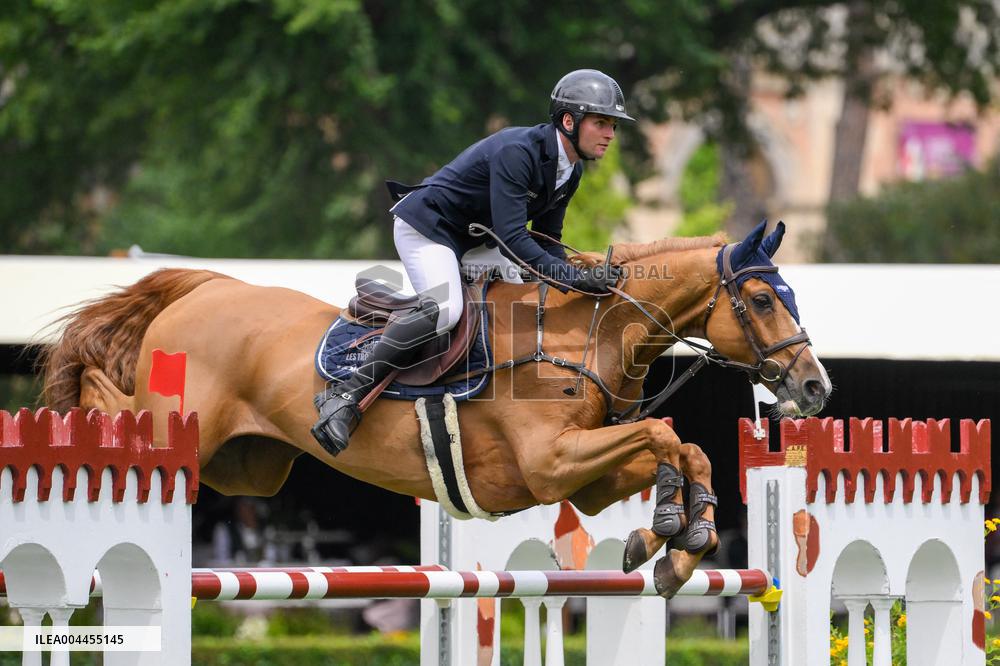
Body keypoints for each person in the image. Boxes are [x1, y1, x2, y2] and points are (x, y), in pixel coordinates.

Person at [312, 69, 635, 456]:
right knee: (446, 310)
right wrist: (576, 280)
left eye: (613, 125)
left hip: (478, 239)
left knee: (530, 294)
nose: (610, 134)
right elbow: (515, 239)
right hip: (429, 228)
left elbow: (548, 241)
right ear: (569, 121)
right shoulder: (519, 153)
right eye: (601, 123)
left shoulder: (571, 170)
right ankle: (345, 395)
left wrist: (581, 277)